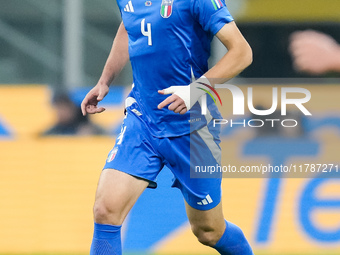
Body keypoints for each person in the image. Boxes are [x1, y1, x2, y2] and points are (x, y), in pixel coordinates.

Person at [81, 0, 253, 254]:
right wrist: (104, 81)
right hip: (143, 120)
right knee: (105, 211)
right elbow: (129, 26)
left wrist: (195, 90)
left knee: (208, 231)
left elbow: (241, 52)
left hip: (193, 128)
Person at [42, 92, 106, 136]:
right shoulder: (53, 132)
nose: (60, 112)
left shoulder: (94, 130)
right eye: (58, 108)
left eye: (64, 107)